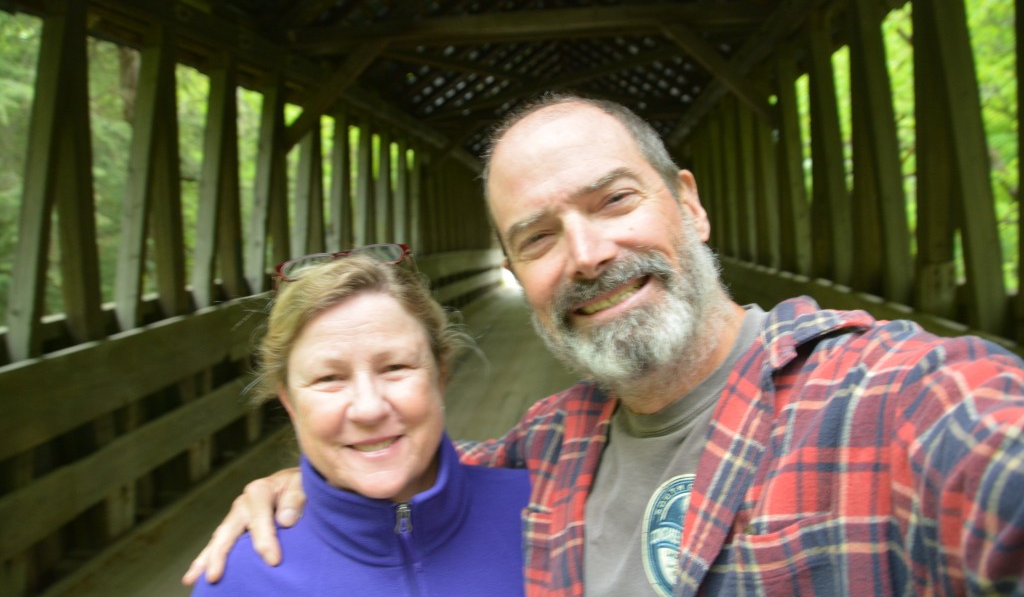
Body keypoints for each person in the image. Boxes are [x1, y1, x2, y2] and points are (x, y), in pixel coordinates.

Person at [185, 94, 1024, 596]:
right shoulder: (547, 450)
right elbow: (413, 478)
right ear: (516, 271)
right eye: (539, 237)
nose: (586, 254)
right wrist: (310, 482)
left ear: (688, 204)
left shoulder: (898, 401)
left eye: (614, 200)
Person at [190, 246, 529, 596]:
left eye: (395, 367)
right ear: (289, 401)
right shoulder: (239, 581)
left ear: (441, 375)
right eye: (328, 378)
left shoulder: (546, 514)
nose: (368, 409)